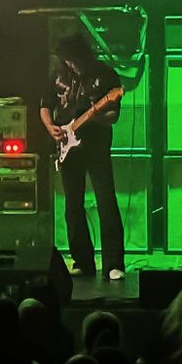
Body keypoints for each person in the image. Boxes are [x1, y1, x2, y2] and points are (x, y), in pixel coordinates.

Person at [40, 32, 125, 281]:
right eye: (66, 60)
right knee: (72, 206)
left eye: (73, 59)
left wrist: (94, 117)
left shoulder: (104, 74)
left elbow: (113, 116)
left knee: (105, 201)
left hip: (96, 145)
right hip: (67, 146)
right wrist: (51, 128)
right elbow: (44, 105)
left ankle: (113, 263)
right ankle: (82, 261)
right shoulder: (58, 75)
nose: (70, 64)